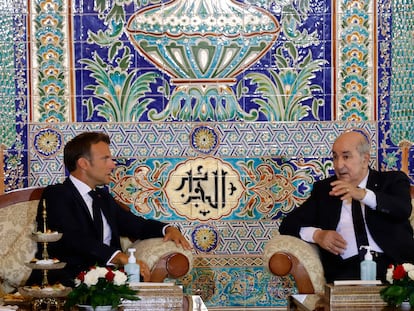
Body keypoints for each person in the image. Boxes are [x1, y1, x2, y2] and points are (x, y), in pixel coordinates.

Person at [27, 131, 192, 286]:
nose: (113, 165)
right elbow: (73, 238)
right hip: (66, 282)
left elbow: (136, 225)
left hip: (110, 282)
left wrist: (167, 229)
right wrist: (119, 257)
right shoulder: (57, 194)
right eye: (105, 159)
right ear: (83, 163)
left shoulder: (103, 198)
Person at [279, 129, 414, 283]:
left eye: (346, 156)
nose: (339, 164)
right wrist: (318, 235)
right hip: (346, 271)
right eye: (335, 157)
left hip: (393, 268)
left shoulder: (391, 181)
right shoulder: (326, 190)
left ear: (365, 159)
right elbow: (288, 224)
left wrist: (362, 194)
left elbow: (402, 209)